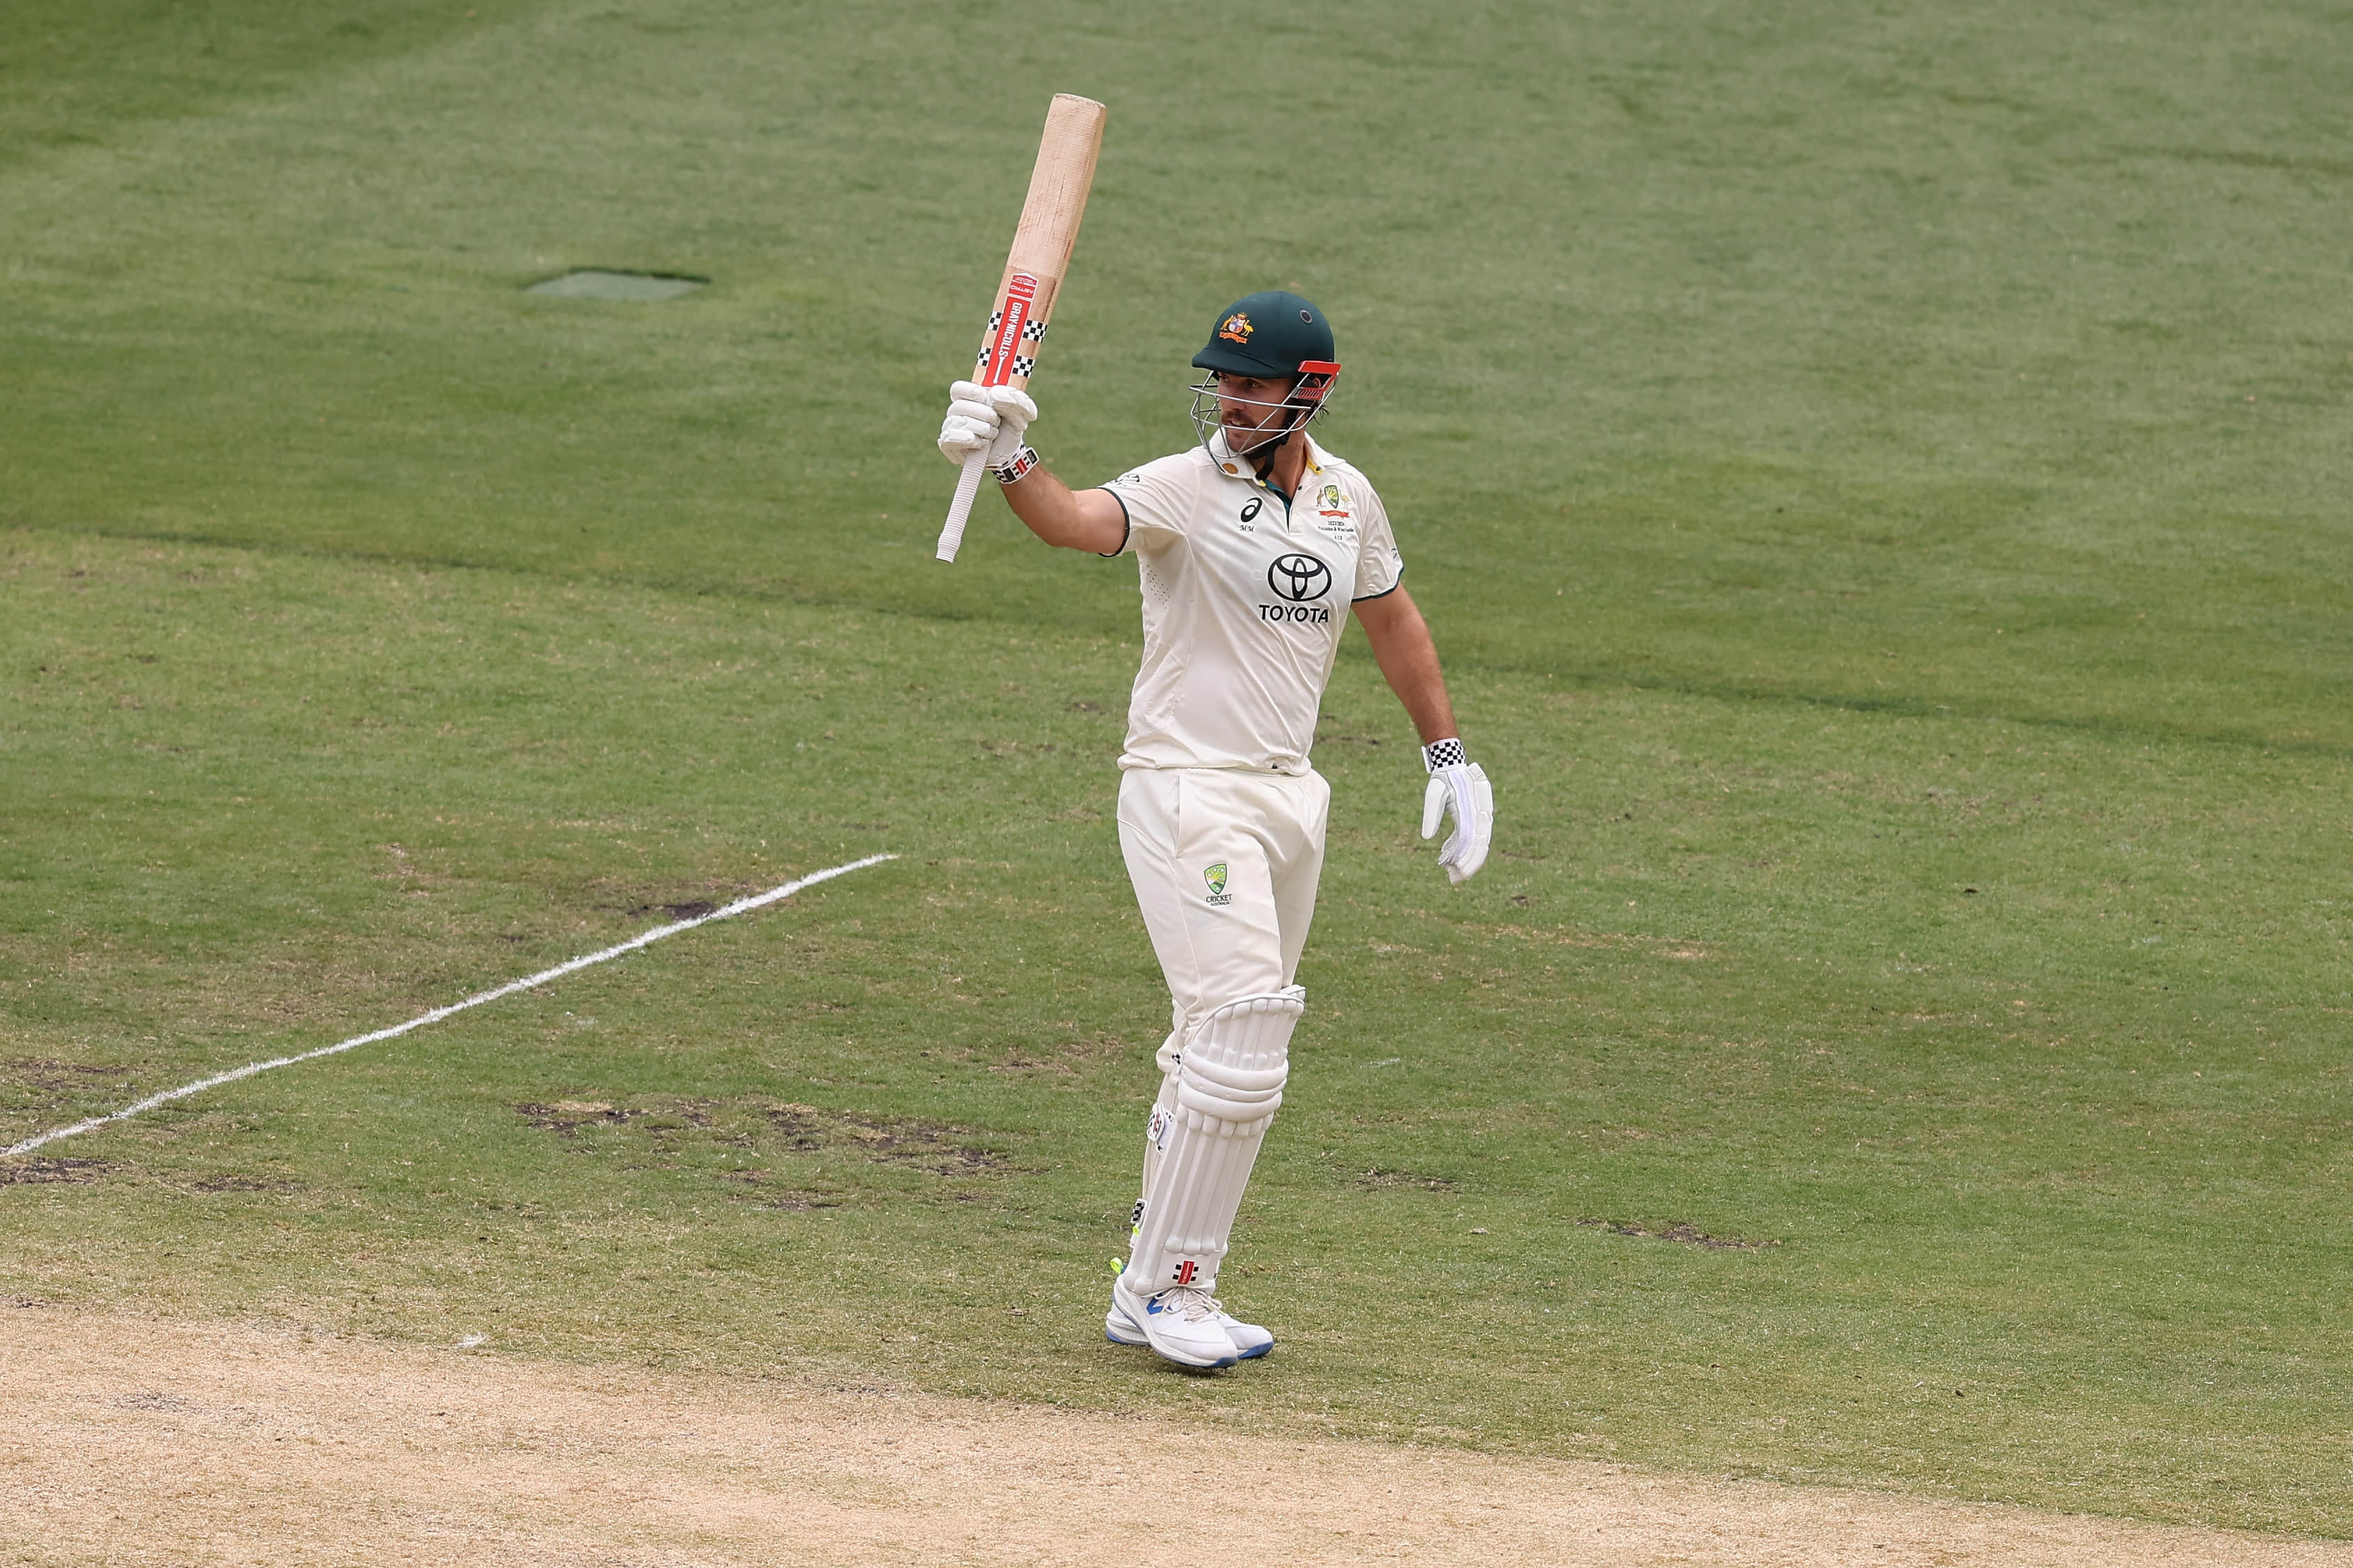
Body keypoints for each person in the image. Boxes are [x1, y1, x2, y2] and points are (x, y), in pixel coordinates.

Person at [935, 291, 1494, 1369]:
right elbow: (1077, 520)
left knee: (1217, 1045)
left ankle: (1154, 1286)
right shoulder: (1184, 489)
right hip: (1186, 786)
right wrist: (1010, 457)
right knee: (1241, 1036)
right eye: (1223, 381)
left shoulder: (1348, 499)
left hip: (1290, 794)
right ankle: (1173, 1291)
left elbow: (1393, 619)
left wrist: (1446, 753)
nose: (1231, 401)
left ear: (1309, 392)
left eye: (1251, 383)